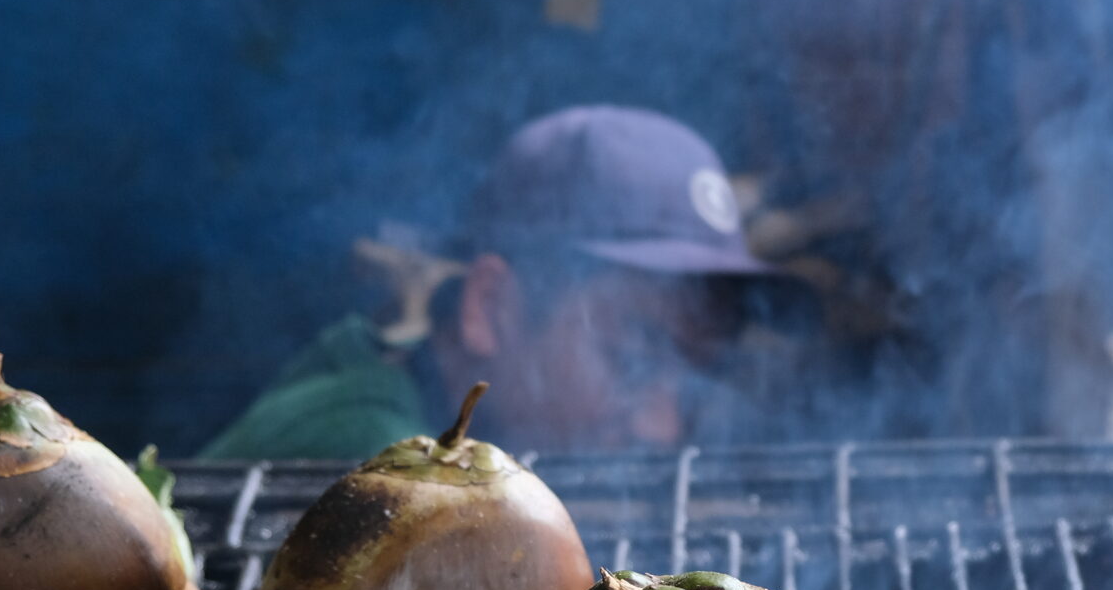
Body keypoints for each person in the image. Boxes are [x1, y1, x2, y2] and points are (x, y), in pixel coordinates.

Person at [201, 106, 774, 459]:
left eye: (702, 375)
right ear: (490, 305)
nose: (663, 429)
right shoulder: (366, 455)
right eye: (629, 360)